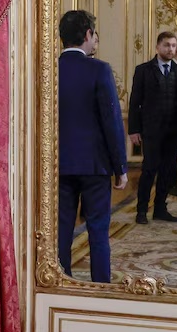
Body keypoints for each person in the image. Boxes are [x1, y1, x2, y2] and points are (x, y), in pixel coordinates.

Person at [57, 10, 128, 283]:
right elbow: (111, 121)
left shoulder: (48, 70)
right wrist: (120, 167)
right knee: (98, 231)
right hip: (95, 165)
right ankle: (101, 286)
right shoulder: (99, 69)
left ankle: (62, 281)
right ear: (88, 34)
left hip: (58, 165)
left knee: (61, 230)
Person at [128, 31, 177, 225]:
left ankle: (160, 209)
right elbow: (135, 102)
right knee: (149, 169)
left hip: (174, 131)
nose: (170, 49)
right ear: (158, 47)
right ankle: (141, 210)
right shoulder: (143, 70)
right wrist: (133, 130)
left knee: (167, 170)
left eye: (173, 45)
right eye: (167, 45)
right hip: (151, 130)